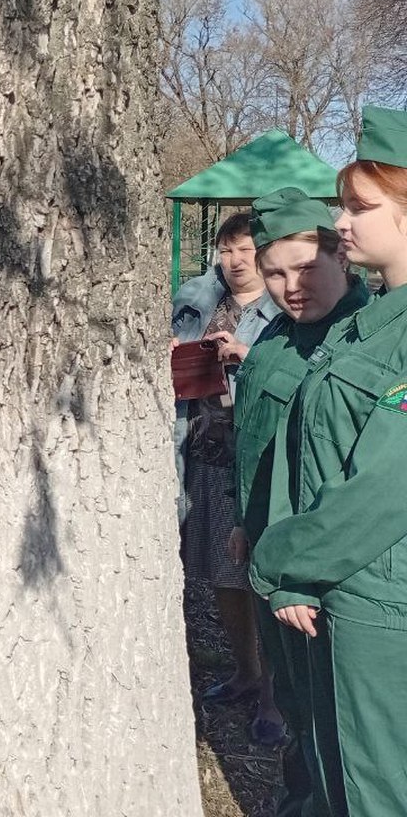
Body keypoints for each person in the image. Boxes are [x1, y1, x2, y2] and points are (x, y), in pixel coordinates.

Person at [250, 106, 407, 815]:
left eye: (358, 207)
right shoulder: (373, 323)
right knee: (337, 775)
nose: (341, 222)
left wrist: (284, 560)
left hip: (377, 597)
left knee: (378, 790)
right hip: (340, 593)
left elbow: (384, 485)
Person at [232, 188, 368, 815]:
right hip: (270, 555)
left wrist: (305, 572)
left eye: (306, 268)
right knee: (294, 702)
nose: (290, 286)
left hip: (325, 572)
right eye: (275, 272)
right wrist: (244, 520)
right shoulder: (276, 338)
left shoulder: (362, 345)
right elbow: (257, 442)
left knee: (335, 715)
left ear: (343, 255)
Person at [171, 212, 282, 737]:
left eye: (244, 249)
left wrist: (250, 362)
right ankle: (245, 672)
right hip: (205, 460)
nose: (234, 260)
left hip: (259, 462)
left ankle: (275, 699)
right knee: (222, 577)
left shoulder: (284, 309)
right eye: (225, 249)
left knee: (263, 580)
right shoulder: (197, 303)